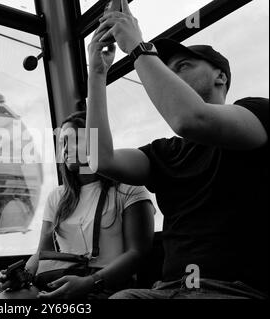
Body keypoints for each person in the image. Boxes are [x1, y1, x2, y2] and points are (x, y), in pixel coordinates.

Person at [86, 0, 268, 299]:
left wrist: (137, 47)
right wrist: (96, 75)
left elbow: (190, 118)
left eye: (182, 66)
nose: (171, 75)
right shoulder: (165, 153)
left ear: (220, 76)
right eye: (167, 70)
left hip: (235, 290)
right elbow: (99, 159)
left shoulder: (256, 113)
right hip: (166, 291)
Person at [0, 111, 155, 299]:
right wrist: (24, 276)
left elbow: (138, 253)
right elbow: (42, 253)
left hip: (109, 286)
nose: (66, 148)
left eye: (75, 140)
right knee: (5, 300)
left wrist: (92, 281)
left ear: (96, 142)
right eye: (62, 142)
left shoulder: (129, 188)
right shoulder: (57, 197)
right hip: (60, 283)